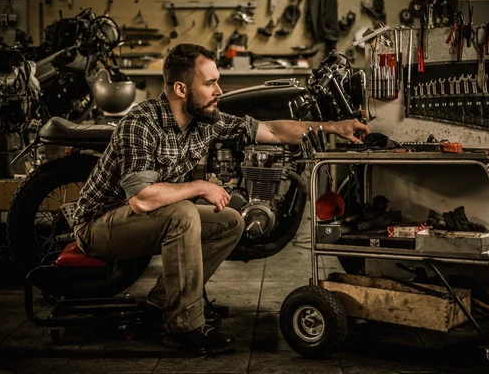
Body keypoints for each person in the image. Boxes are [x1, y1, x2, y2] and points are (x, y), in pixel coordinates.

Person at [72, 43, 369, 354]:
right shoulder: (141, 123)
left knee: (229, 222)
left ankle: (163, 304)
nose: (219, 90)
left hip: (144, 220)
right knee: (183, 215)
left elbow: (271, 131)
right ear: (180, 88)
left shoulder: (204, 122)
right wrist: (200, 186)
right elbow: (142, 200)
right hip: (99, 225)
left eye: (217, 81)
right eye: (209, 83)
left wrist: (333, 127)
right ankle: (184, 326)